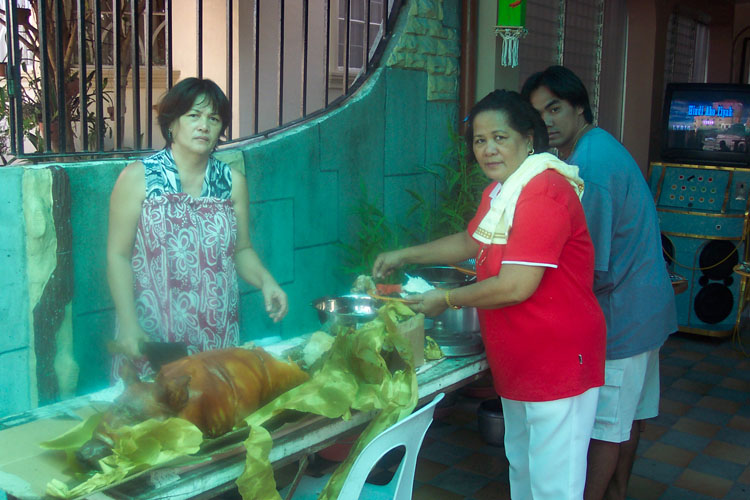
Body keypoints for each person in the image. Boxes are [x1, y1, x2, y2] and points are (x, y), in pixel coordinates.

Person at [373, 90, 606, 500]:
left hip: (558, 360)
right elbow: (469, 240)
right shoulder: (502, 192)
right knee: (524, 469)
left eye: (500, 137)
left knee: (555, 484)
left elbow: (516, 285)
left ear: (527, 138)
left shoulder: (543, 192)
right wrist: (403, 254)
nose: (488, 149)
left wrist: (444, 301)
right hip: (520, 357)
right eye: (480, 140)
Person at [522, 66, 677, 500]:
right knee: (627, 419)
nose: (546, 121)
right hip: (644, 309)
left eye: (555, 108)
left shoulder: (591, 164)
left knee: (605, 429)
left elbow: (589, 265)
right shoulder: (596, 147)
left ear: (579, 108)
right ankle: (618, 494)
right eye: (537, 112)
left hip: (622, 320)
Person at [107, 77, 288, 379]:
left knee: (213, 415)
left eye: (213, 119)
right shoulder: (138, 178)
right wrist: (128, 323)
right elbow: (117, 256)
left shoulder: (232, 183)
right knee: (153, 419)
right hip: (153, 338)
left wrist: (266, 281)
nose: (204, 125)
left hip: (217, 336)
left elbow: (241, 250)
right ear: (171, 124)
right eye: (193, 115)